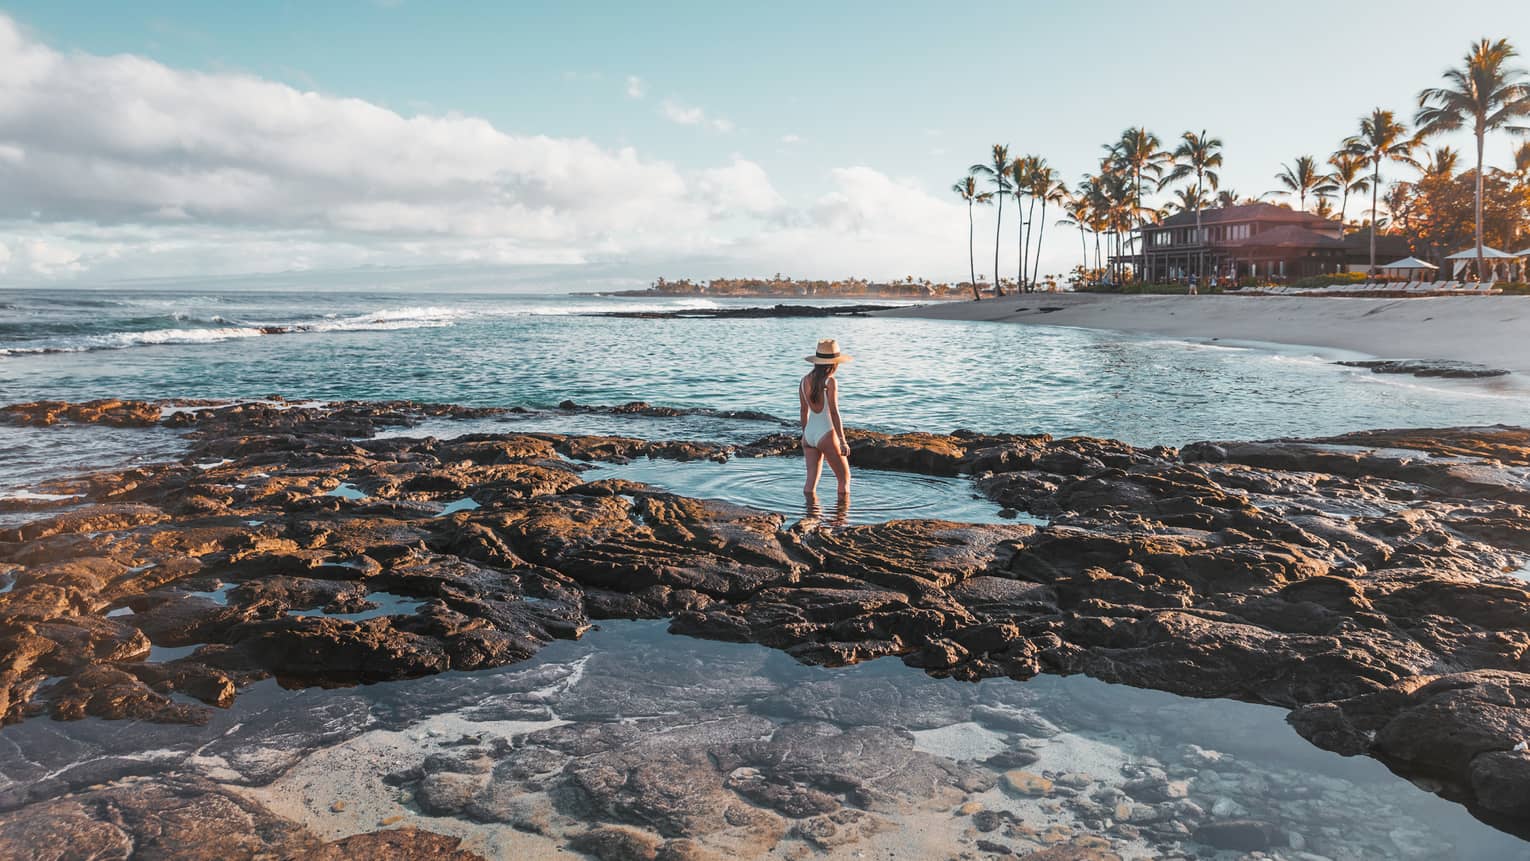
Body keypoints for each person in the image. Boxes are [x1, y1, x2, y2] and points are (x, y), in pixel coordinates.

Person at [800, 338, 852, 502]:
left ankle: (810, 517)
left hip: (809, 435)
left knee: (810, 484)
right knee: (844, 480)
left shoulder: (803, 381)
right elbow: (834, 413)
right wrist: (842, 441)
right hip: (826, 434)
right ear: (834, 363)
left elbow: (803, 411)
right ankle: (840, 521)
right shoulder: (830, 382)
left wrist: (806, 434)